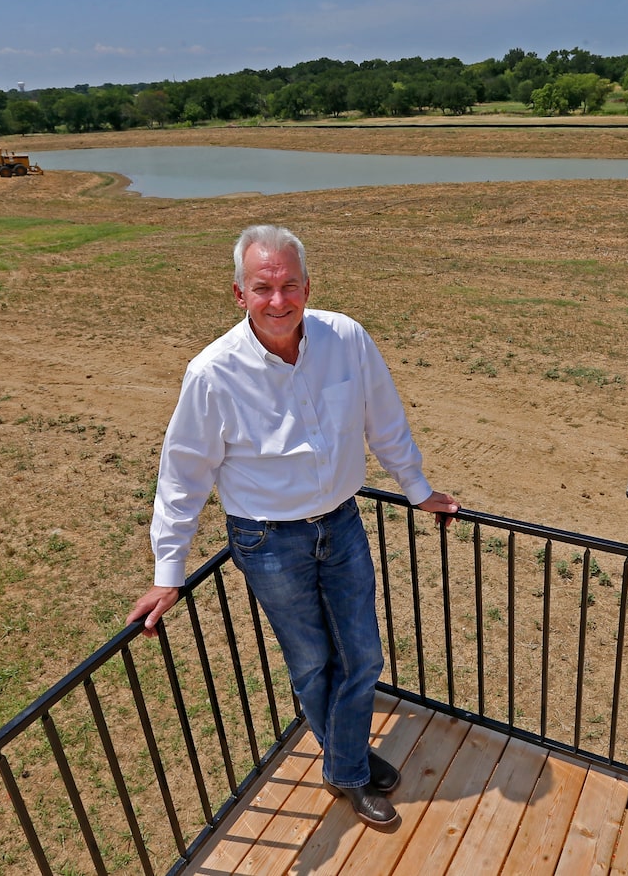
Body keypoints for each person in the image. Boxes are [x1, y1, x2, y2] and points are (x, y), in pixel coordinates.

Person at [126, 224, 458, 828]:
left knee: (361, 655)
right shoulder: (212, 374)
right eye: (262, 288)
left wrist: (418, 489)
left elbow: (384, 418)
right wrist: (168, 572)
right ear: (239, 294)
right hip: (268, 539)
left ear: (308, 286)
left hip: (341, 521)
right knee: (312, 662)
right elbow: (183, 476)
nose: (278, 301)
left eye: (288, 285)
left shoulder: (346, 339)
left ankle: (343, 758)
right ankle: (351, 771)